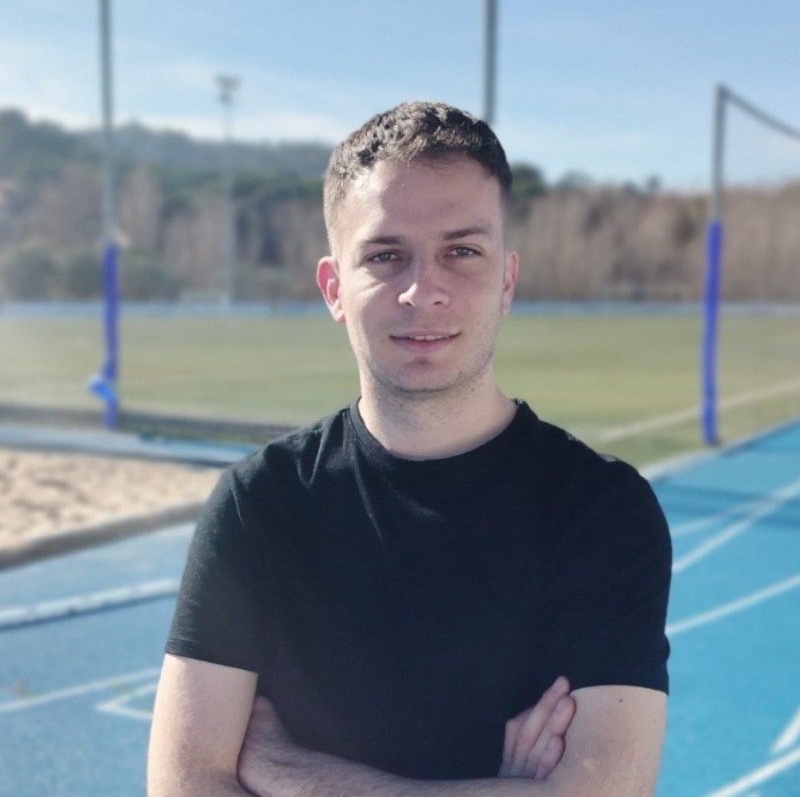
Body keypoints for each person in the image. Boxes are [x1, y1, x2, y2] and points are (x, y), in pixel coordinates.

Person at [147, 101, 672, 795]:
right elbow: (185, 784)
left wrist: (293, 773)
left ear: (506, 280)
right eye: (386, 256)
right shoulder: (260, 504)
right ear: (335, 288)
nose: (424, 292)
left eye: (462, 251)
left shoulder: (602, 508)